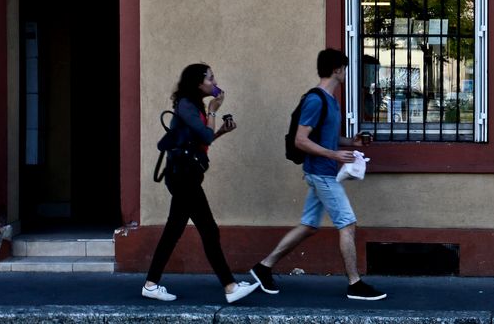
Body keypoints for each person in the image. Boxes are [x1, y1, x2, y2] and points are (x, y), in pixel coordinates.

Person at [249, 48, 386, 301]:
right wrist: (334, 156)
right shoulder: (316, 100)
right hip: (321, 173)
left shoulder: (331, 101)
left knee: (309, 226)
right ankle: (355, 284)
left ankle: (263, 267)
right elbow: (301, 140)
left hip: (321, 172)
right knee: (347, 223)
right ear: (336, 70)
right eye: (344, 68)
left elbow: (326, 137)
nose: (345, 73)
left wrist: (351, 143)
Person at [142, 63, 259, 304]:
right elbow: (204, 136)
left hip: (186, 174)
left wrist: (221, 132)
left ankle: (151, 284)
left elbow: (201, 142)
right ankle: (230, 286)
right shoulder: (186, 104)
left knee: (174, 230)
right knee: (208, 229)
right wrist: (215, 110)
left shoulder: (195, 106)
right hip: (183, 176)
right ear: (198, 84)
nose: (215, 83)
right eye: (210, 79)